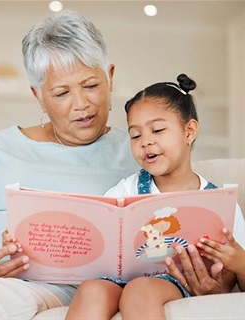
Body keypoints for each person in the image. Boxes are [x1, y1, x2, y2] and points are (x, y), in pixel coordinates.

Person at [0, 11, 139, 319]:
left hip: (55, 290)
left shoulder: (138, 153)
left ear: (110, 77)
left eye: (90, 85)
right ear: (38, 96)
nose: (81, 104)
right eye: (62, 93)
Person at [64, 74, 245, 320]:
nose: (146, 142)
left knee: (140, 290)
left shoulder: (220, 202)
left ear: (189, 131)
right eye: (135, 136)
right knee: (91, 290)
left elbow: (236, 281)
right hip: (116, 279)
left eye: (157, 130)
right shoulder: (125, 190)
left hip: (172, 283)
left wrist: (237, 263)